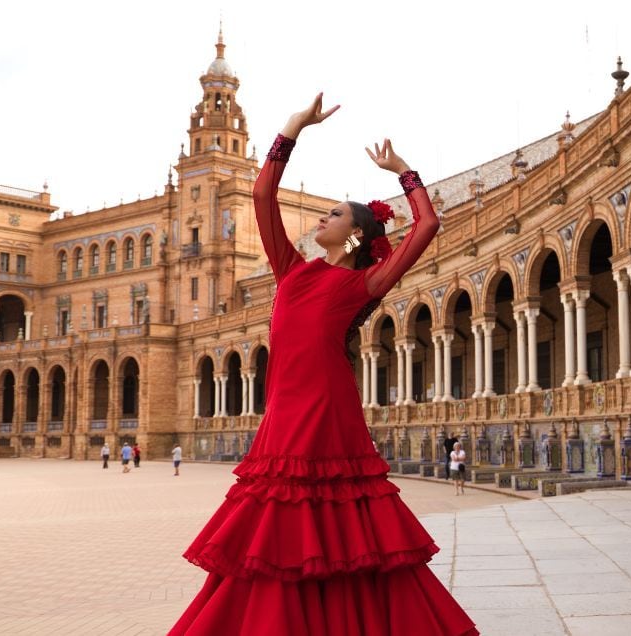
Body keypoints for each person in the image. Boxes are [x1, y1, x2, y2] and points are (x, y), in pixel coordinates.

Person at [171, 94, 476, 636]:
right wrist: (294, 128)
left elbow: (425, 227)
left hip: (327, 409)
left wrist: (404, 172)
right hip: (282, 412)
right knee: (277, 527)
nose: (321, 217)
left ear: (354, 233)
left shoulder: (361, 283)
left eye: (333, 213)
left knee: (337, 524)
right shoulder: (291, 270)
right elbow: (263, 193)